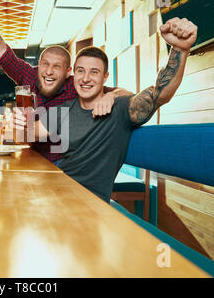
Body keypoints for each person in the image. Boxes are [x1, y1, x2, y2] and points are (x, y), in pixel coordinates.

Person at [13, 17, 197, 203]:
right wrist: (19, 123)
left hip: (89, 205)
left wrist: (180, 50)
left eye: (94, 72)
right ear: (73, 74)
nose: (85, 78)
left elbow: (160, 94)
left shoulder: (121, 108)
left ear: (105, 77)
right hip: (54, 193)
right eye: (80, 71)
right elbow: (29, 133)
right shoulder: (63, 111)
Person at [0, 0, 133, 164]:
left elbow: (128, 95)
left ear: (67, 72)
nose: (48, 71)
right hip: (31, 160)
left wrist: (112, 96)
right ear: (38, 65)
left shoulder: (77, 85)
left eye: (57, 67)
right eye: (45, 64)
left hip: (64, 165)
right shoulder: (28, 75)